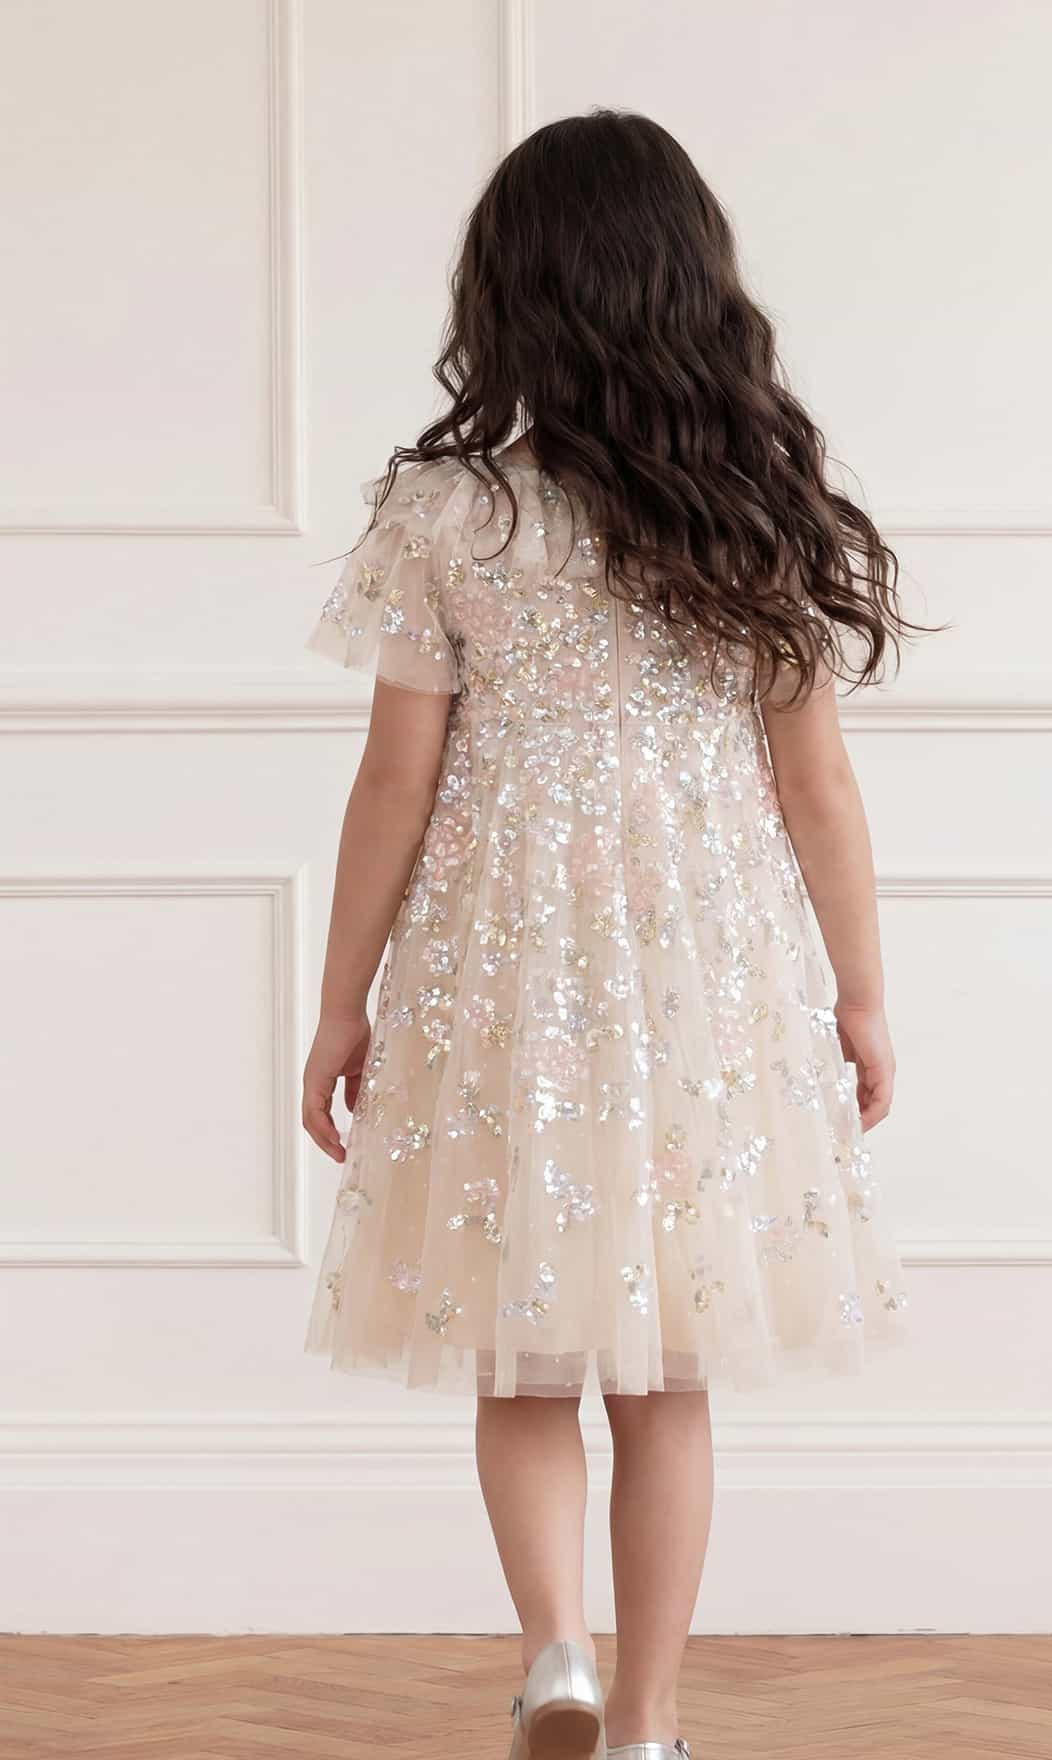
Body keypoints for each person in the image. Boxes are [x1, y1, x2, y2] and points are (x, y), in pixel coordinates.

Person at [301, 108, 919, 1760]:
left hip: (501, 957)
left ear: (509, 295)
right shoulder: (758, 510)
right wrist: (861, 996)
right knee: (667, 1374)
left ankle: (555, 1654)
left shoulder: (447, 515)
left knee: (522, 1353)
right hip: (703, 966)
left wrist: (341, 1002)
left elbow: (393, 783)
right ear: (692, 286)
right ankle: (646, 1724)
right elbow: (817, 788)